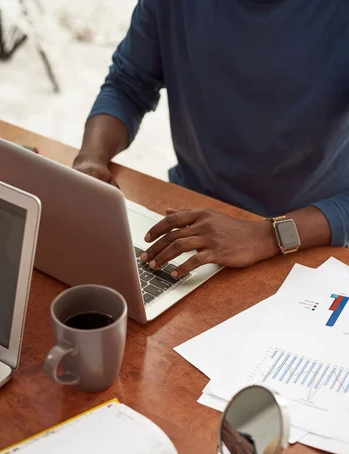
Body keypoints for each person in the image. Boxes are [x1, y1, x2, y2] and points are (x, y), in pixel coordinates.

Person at [73, 1, 349, 278]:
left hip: (309, 239)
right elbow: (128, 85)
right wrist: (91, 159)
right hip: (188, 219)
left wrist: (266, 236)